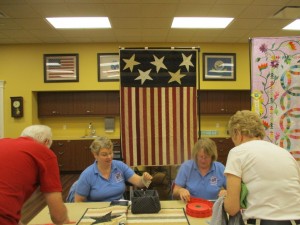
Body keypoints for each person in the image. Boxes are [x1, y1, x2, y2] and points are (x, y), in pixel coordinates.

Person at [224, 110, 300, 225]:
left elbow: (232, 208)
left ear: (237, 133)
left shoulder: (237, 152)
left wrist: (224, 200)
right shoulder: (285, 153)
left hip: (262, 221)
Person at [0, 125, 69, 225]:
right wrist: (64, 220)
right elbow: (58, 216)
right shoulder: (44, 152)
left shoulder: (2, 142)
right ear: (46, 142)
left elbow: (6, 196)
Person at [73, 136, 153, 202]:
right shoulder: (87, 174)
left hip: (119, 208)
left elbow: (139, 183)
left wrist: (145, 179)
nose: (109, 157)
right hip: (97, 211)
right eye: (104, 155)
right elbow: (78, 201)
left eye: (110, 153)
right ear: (95, 155)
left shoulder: (120, 166)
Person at [172, 137, 227, 202]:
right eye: (201, 156)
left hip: (213, 207)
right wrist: (180, 191)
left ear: (212, 156)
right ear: (196, 155)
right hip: (190, 206)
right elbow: (175, 192)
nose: (203, 160)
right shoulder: (186, 167)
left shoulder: (220, 168)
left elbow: (233, 190)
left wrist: (226, 192)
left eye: (206, 157)